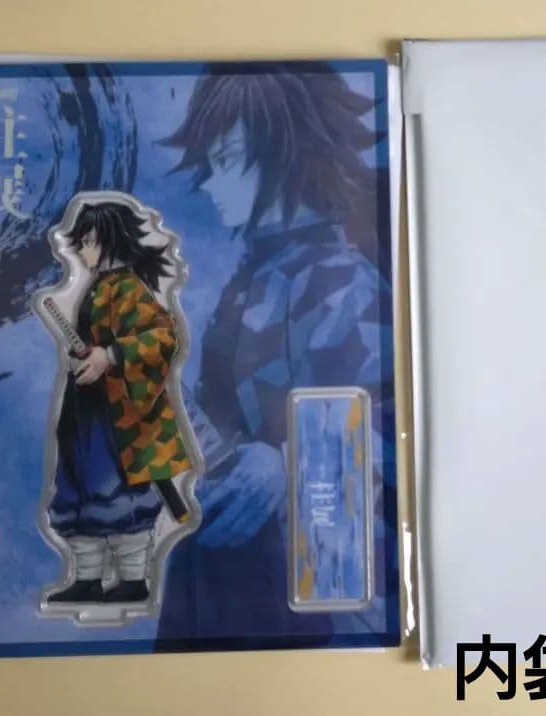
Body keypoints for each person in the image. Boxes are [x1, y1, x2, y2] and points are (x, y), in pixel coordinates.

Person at [156, 64, 393, 641]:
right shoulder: (256, 276)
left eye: (229, 158)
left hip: (303, 599)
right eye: (211, 161)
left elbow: (390, 429)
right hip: (224, 577)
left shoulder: (340, 284)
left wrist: (285, 464)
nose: (210, 182)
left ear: (290, 153)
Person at [45, 201, 191, 604]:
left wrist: (109, 356)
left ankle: (132, 579)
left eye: (89, 241)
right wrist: (87, 355)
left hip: (116, 420)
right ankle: (87, 577)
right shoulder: (100, 286)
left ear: (110, 241)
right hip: (85, 411)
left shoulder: (127, 287)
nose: (83, 250)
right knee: (77, 486)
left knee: (114, 489)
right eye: (81, 242)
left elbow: (163, 338)